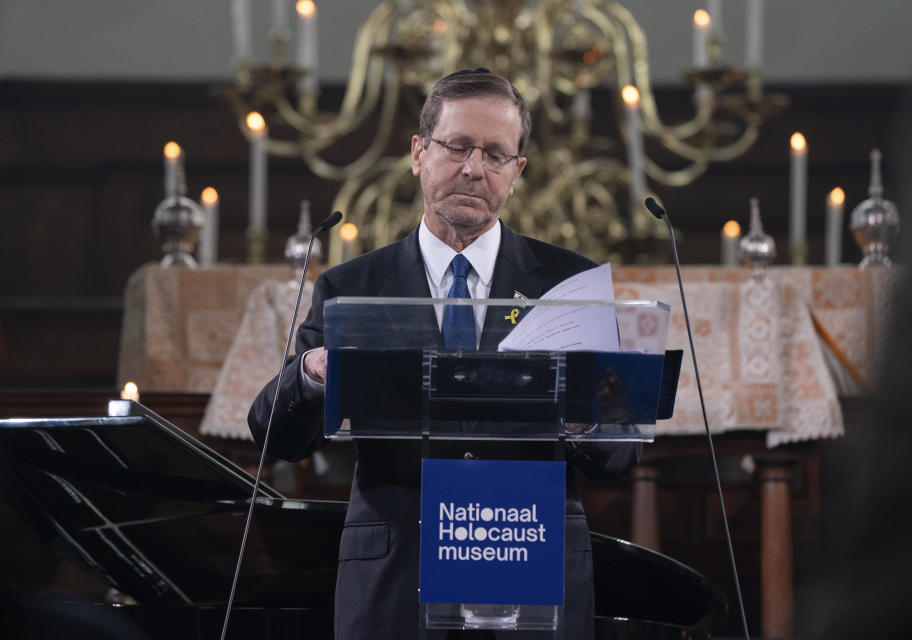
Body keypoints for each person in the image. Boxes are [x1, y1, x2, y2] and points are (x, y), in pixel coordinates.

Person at [248, 69, 642, 639]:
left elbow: (619, 458)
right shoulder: (353, 287)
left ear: (517, 172)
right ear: (418, 153)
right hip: (394, 574)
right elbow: (273, 435)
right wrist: (314, 372)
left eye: (496, 154)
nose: (473, 168)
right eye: (457, 146)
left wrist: (585, 415)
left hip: (526, 559)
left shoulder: (568, 283)